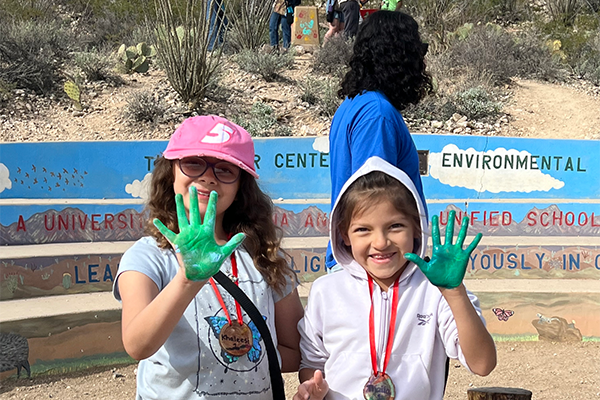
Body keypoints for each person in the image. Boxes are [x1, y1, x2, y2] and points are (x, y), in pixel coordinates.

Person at [113, 115, 304, 399]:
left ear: (242, 186)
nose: (208, 176)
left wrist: (244, 357)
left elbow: (295, 349)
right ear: (172, 171)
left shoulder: (264, 257)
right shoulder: (148, 257)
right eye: (193, 162)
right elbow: (137, 345)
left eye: (226, 169)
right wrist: (188, 281)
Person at [294, 156, 497, 400]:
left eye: (395, 226)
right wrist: (312, 389)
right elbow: (312, 364)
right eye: (363, 229)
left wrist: (454, 293)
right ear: (344, 235)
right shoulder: (326, 291)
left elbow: (482, 364)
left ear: (416, 228)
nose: (380, 242)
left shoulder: (436, 290)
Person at [325, 10, 432, 271]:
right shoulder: (377, 115)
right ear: (400, 56)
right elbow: (373, 201)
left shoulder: (354, 104)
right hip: (371, 271)